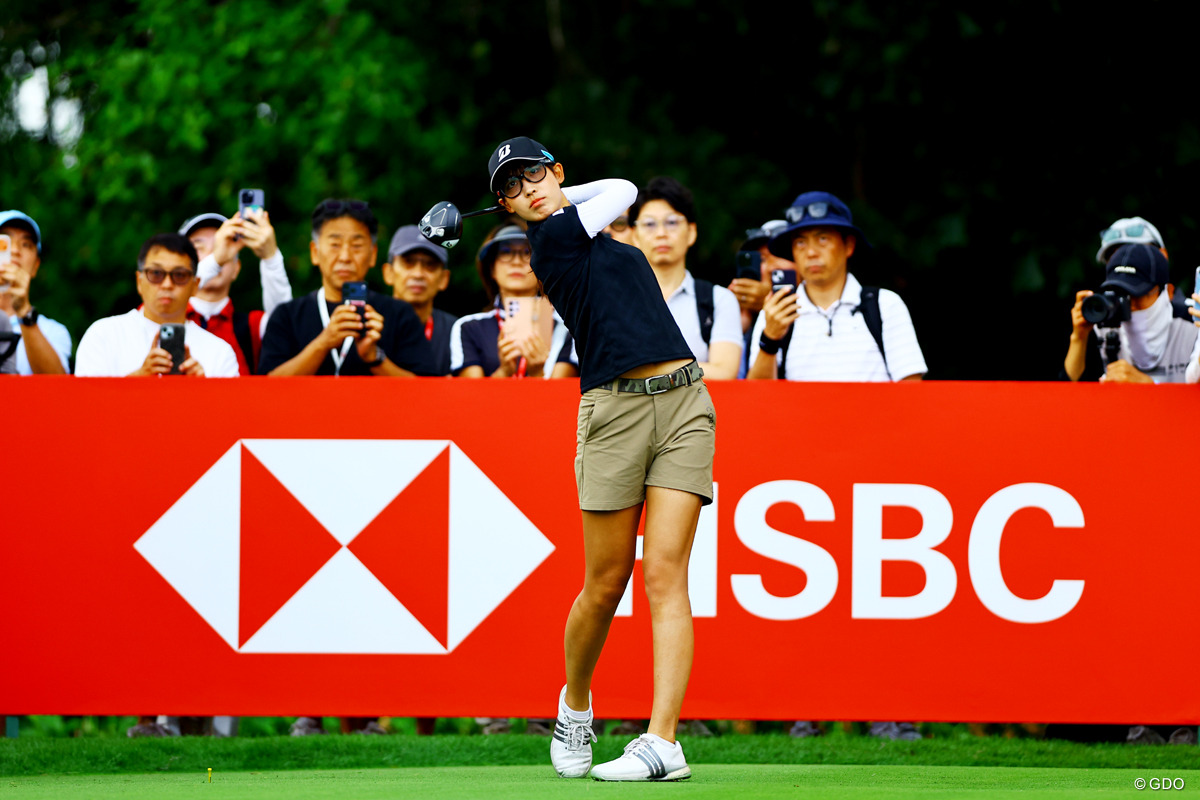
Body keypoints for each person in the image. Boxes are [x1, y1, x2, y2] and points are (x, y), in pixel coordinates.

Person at [483, 136, 713, 781]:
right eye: (511, 189)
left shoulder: (587, 231)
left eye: (534, 174)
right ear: (506, 208)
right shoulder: (550, 243)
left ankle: (663, 742)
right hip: (613, 413)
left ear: (556, 170)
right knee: (605, 583)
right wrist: (549, 201)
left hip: (686, 402)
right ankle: (576, 704)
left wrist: (551, 193)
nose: (526, 189)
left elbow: (612, 195)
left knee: (667, 577)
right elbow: (623, 191)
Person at [747, 190, 927, 384]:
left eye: (822, 239)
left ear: (848, 245)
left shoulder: (884, 305)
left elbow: (911, 389)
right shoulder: (776, 310)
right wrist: (770, 339)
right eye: (800, 242)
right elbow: (759, 398)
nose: (811, 252)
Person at [257, 199, 433, 376]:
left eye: (356, 246)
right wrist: (323, 343)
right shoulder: (287, 316)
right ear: (315, 252)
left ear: (373, 255)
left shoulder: (400, 314)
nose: (345, 256)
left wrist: (375, 358)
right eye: (335, 245)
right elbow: (266, 387)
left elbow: (425, 391)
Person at [74, 233, 240, 378]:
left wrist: (202, 391)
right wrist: (140, 378)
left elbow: (232, 414)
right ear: (139, 281)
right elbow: (85, 406)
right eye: (156, 274)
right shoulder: (103, 336)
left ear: (195, 285)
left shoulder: (220, 352)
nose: (167, 284)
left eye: (179, 275)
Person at [630, 177, 743, 380]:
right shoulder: (614, 299)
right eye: (649, 224)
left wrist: (648, 367)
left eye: (672, 222)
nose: (661, 233)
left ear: (691, 232)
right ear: (635, 236)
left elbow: (725, 372)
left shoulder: (718, 300)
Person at [448, 223, 576, 380]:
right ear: (491, 268)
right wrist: (504, 371)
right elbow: (472, 399)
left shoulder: (569, 328)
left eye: (527, 252)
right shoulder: (468, 327)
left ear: (542, 267)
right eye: (506, 252)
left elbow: (562, 400)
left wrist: (537, 373)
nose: (516, 261)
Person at [1064, 244, 1196, 384]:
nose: (1129, 304)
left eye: (1137, 294)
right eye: (1120, 293)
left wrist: (1150, 388)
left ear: (1167, 292)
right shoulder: (1104, 322)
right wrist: (1079, 338)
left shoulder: (1192, 321)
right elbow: (1064, 395)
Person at [181, 209, 293, 375]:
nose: (213, 254)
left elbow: (285, 324)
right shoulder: (161, 319)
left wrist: (271, 258)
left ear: (236, 268)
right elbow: (166, 291)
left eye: (222, 246)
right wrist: (215, 261)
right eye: (199, 247)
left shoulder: (253, 326)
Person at [0, 210, 71, 374]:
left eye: (26, 244)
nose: (16, 250)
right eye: (5, 242)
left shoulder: (53, 332)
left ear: (36, 266)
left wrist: (25, 313)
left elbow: (59, 389)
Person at [382, 225, 457, 376]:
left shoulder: (458, 333)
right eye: (408, 262)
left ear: (444, 278)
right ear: (388, 272)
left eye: (430, 265)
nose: (418, 274)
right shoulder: (368, 327)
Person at [730, 219, 791, 378]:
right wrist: (737, 326)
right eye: (763, 259)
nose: (771, 267)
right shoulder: (745, 315)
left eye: (780, 254)